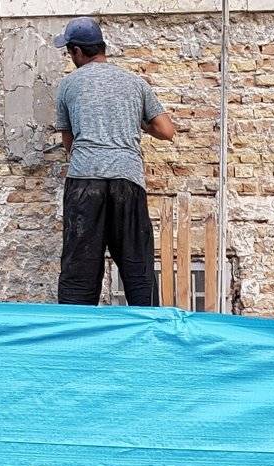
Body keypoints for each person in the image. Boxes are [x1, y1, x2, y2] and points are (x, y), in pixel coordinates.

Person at [53, 17, 176, 307]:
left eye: (69, 52)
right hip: (127, 180)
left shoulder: (68, 85)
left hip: (84, 181)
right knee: (137, 266)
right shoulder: (135, 83)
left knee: (79, 269)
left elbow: (69, 143)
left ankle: (76, 330)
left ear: (77, 51)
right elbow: (166, 130)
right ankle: (147, 327)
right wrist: (139, 123)